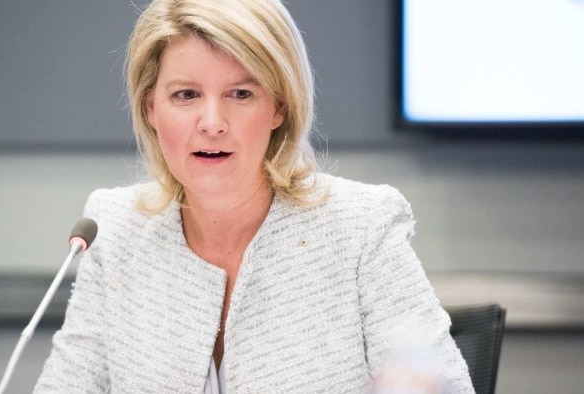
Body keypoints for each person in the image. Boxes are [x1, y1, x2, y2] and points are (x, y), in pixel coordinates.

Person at [34, 0, 474, 393]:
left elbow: (440, 383)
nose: (212, 122)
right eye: (185, 95)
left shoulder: (362, 226)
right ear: (151, 108)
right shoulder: (114, 229)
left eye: (240, 94)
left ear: (279, 106)